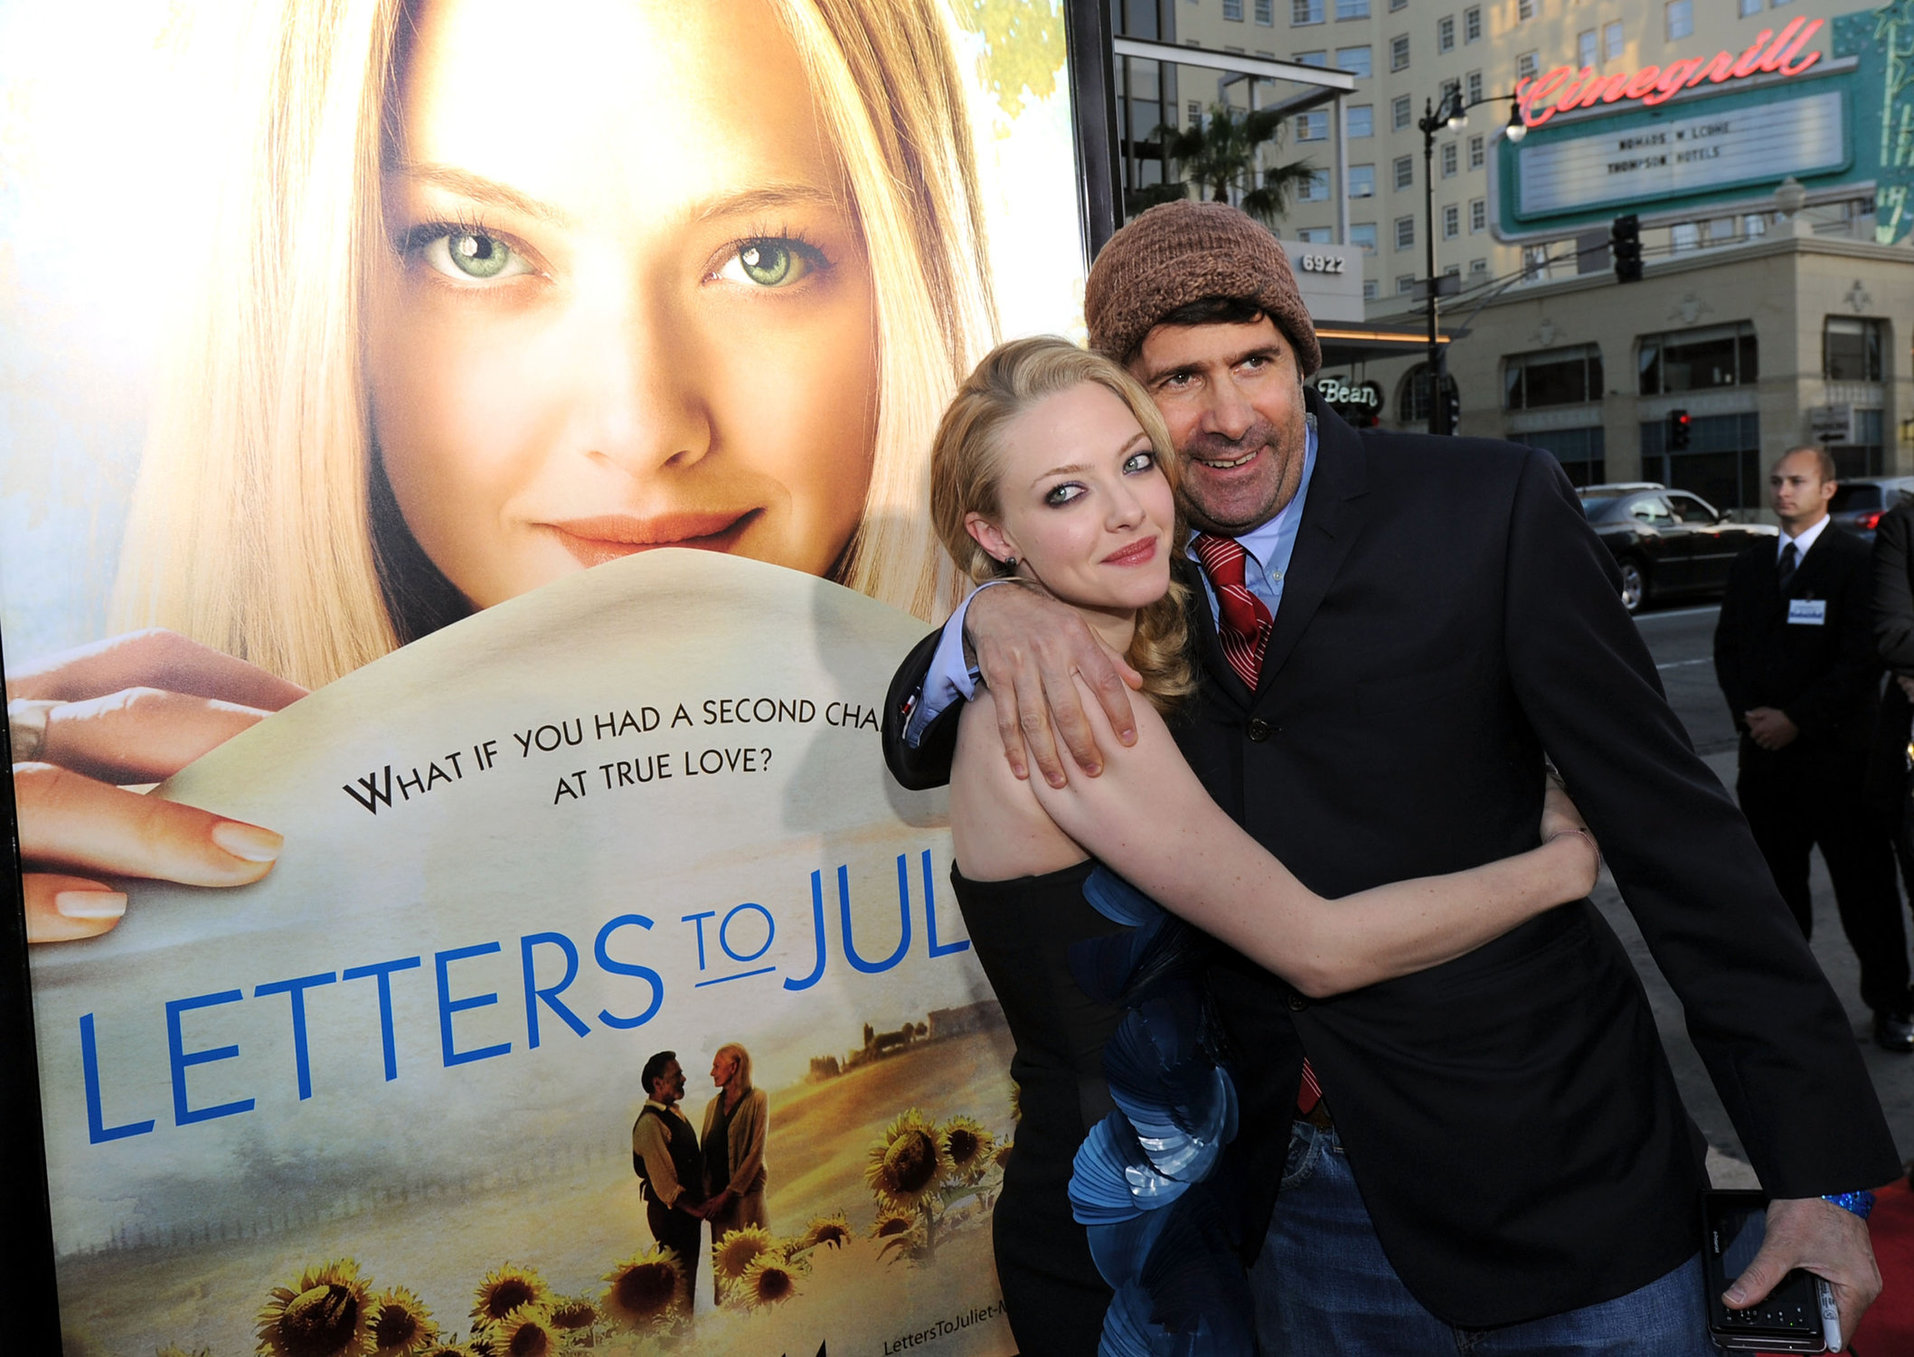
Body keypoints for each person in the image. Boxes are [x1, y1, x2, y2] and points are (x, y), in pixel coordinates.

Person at [884, 201, 1899, 1353]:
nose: (1228, 417)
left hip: (1562, 1170)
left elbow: (1682, 841)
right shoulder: (1121, 573)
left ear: (1302, 360)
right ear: (1130, 401)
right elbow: (928, 728)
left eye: (1255, 362)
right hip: (1288, 1212)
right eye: (1177, 381)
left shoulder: (1486, 507)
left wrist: (1821, 1172)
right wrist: (987, 619)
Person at [6, 0, 996, 944]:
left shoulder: (1055, 800)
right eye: (477, 250)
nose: (640, 427)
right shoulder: (95, 871)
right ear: (313, 299)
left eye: (762, 257)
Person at [932, 335, 1601, 1352]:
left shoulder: (1144, 651)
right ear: (994, 532)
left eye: (1136, 463)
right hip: (1120, 1240)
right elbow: (1317, 948)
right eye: (1065, 493)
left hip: (1203, 1202)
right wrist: (1559, 869)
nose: (1126, 510)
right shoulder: (1068, 708)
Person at [1715, 446, 1913, 1053]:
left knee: (1866, 892)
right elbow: (1728, 650)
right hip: (1765, 763)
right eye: (1776, 481)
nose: (1782, 491)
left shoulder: (1856, 561)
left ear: (1827, 489)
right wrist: (1753, 718)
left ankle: (1892, 1005)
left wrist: (1797, 720)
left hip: (1843, 763)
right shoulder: (1751, 563)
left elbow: (1863, 658)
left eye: (1796, 481)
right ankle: (1789, 1010)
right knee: (1775, 896)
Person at [632, 1049, 708, 1314]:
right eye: (677, 1075)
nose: (683, 1079)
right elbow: (666, 1186)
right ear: (657, 1083)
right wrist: (700, 1210)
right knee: (678, 1289)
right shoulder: (649, 1124)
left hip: (684, 1217)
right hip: (671, 1219)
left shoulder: (673, 1113)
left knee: (687, 1285)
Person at [699, 1041, 770, 1301]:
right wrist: (708, 1198)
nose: (712, 1072)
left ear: (734, 1066)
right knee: (727, 1278)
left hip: (746, 1198)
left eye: (717, 1066)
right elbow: (705, 1154)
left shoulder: (758, 1099)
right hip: (718, 1207)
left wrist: (729, 1194)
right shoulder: (711, 1107)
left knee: (756, 1271)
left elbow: (756, 1153)